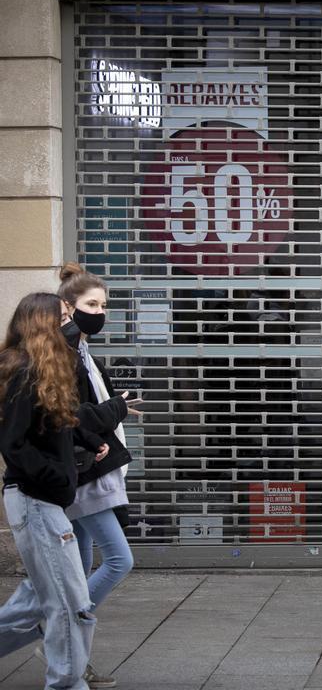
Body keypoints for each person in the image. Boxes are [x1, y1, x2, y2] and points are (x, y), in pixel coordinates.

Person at [0, 293, 126, 690]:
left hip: (46, 498)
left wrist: (89, 442)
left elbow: (57, 421)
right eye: (64, 317)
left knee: (40, 599)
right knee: (72, 604)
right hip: (37, 499)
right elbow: (13, 443)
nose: (69, 324)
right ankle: (68, 683)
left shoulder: (42, 369)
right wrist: (56, 475)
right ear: (41, 323)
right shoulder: (22, 370)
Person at [57, 263, 142, 689]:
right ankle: (61, 634)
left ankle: (74, 658)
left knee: (79, 568)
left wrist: (114, 415)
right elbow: (71, 414)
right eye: (92, 304)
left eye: (104, 304)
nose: (100, 311)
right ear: (66, 308)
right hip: (85, 476)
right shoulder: (64, 355)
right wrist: (104, 426)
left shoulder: (85, 354)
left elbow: (91, 410)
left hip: (91, 469)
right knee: (118, 560)